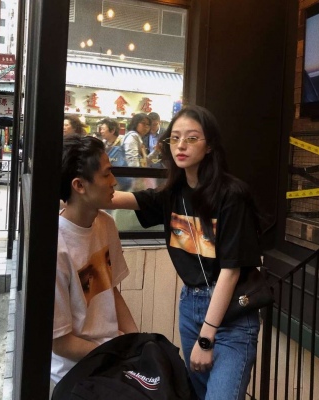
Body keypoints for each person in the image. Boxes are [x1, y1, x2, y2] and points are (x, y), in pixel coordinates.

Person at [109, 105, 262, 400]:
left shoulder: (232, 195)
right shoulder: (173, 193)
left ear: (210, 146)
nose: (181, 145)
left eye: (191, 138)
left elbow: (231, 271)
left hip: (231, 315)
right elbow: (119, 198)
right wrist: (74, 194)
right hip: (191, 307)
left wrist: (207, 337)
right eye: (175, 138)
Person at [51, 135, 138, 386]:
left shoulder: (105, 224)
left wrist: (138, 341)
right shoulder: (56, 248)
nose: (114, 181)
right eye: (107, 174)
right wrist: (117, 355)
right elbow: (60, 342)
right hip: (75, 373)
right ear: (79, 185)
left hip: (111, 356)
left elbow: (110, 290)